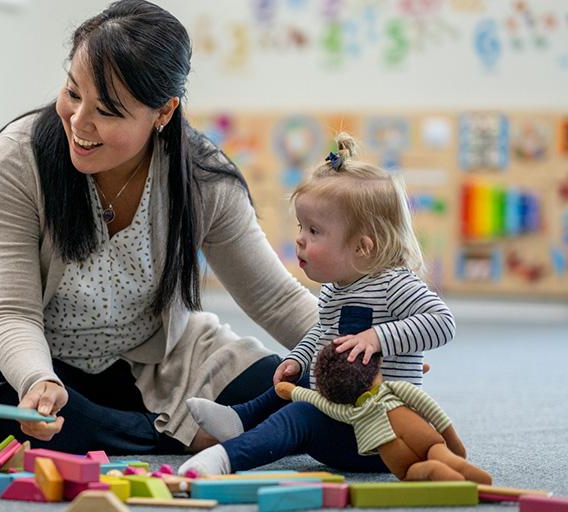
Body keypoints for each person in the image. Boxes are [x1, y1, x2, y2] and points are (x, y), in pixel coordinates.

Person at [0, 0, 318, 455]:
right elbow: (12, 312)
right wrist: (37, 379)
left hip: (160, 364)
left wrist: (354, 355)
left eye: (108, 111)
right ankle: (166, 435)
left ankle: (135, 430)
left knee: (303, 387)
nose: (78, 122)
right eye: (73, 93)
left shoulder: (202, 177)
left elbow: (274, 298)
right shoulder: (16, 161)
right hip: (39, 360)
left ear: (162, 112)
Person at [180, 133, 455, 475]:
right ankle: (242, 417)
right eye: (300, 226)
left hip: (380, 436)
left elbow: (442, 321)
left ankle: (224, 459)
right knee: (299, 374)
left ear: (362, 247)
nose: (299, 238)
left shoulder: (394, 284)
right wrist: (298, 357)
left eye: (313, 231)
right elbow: (321, 332)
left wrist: (378, 338)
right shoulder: (335, 290)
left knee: (300, 416)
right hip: (343, 413)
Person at [275, 345, 490, 483]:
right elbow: (430, 408)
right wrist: (452, 441)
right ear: (376, 365)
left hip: (388, 447)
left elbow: (318, 401)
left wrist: (293, 390)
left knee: (410, 472)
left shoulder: (349, 411)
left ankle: (432, 470)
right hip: (418, 431)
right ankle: (453, 463)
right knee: (436, 449)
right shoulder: (394, 388)